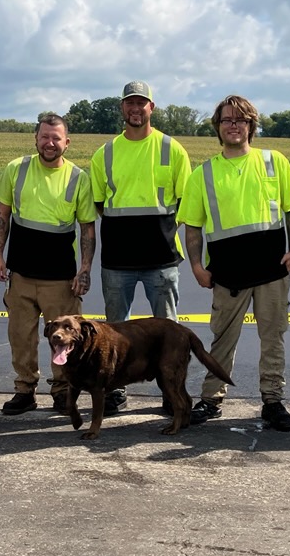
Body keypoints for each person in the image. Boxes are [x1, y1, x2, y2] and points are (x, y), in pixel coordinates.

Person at [175, 95, 290, 432]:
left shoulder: (274, 162)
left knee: (273, 338)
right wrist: (197, 267)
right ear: (218, 128)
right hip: (228, 273)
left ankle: (273, 401)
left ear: (251, 126)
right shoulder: (202, 174)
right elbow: (193, 226)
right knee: (222, 339)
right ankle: (211, 399)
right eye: (227, 120)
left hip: (272, 269)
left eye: (240, 120)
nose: (234, 125)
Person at [89, 81, 192, 415]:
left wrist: (159, 231)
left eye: (141, 103)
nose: (136, 109)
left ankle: (171, 393)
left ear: (152, 107)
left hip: (161, 259)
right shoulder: (104, 154)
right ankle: (115, 390)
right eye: (130, 103)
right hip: (118, 260)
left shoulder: (171, 149)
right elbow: (101, 203)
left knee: (168, 332)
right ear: (122, 108)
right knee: (115, 330)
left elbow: (184, 202)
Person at [0, 113, 97, 415]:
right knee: (21, 338)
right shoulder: (16, 169)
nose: (49, 143)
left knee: (65, 343)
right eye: (44, 137)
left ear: (67, 142)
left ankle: (63, 392)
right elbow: (2, 217)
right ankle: (25, 391)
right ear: (36, 138)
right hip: (21, 275)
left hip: (61, 280)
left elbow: (87, 230)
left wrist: (85, 270)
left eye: (56, 138)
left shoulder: (79, 178)